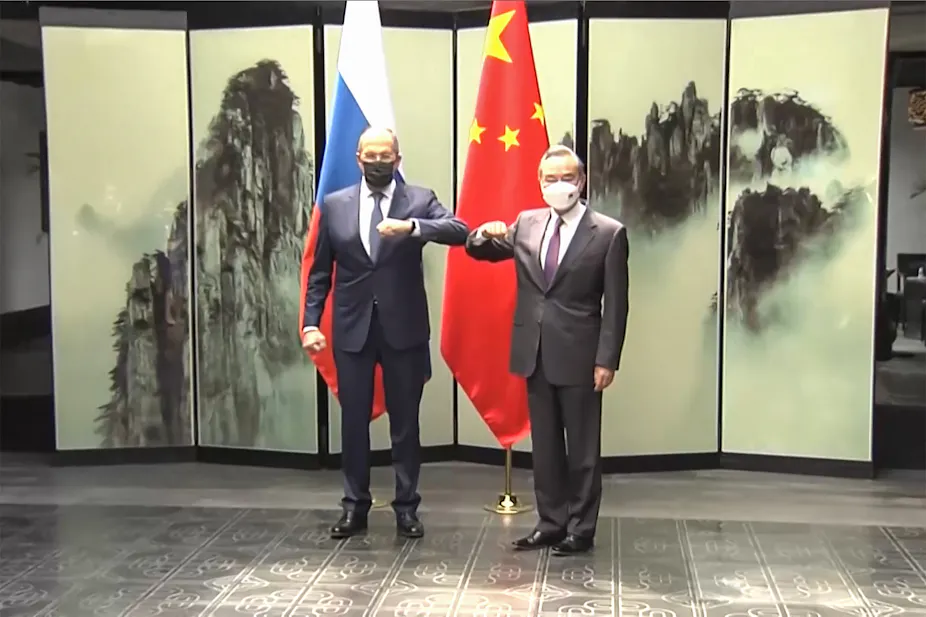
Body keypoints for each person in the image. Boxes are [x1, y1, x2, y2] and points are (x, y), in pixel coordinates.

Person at [302, 127, 469, 539]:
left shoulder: (419, 199)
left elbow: (459, 230)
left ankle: (407, 508)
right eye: (370, 155)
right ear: (358, 159)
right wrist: (309, 322)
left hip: (404, 328)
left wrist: (413, 228)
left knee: (405, 424)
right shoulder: (335, 204)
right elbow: (320, 272)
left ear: (397, 159)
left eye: (385, 155)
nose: (378, 161)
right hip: (352, 328)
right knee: (354, 423)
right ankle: (354, 507)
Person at [465, 144, 629, 556]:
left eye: (567, 177)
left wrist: (606, 359)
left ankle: (581, 528)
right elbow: (480, 251)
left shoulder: (608, 233)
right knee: (546, 448)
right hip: (534, 351)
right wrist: (483, 232)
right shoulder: (526, 223)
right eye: (550, 178)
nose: (559, 185)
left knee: (583, 451)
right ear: (539, 183)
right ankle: (551, 522)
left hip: (581, 355)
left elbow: (617, 305)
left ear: (582, 180)